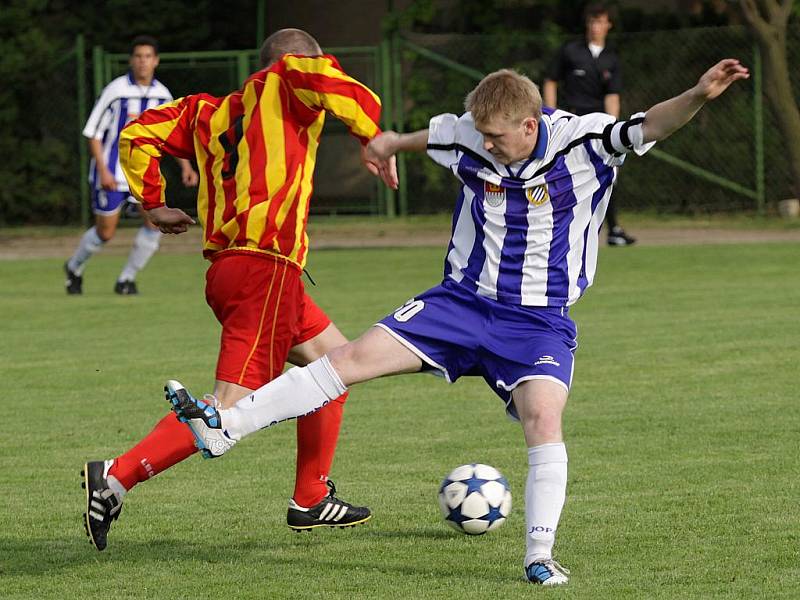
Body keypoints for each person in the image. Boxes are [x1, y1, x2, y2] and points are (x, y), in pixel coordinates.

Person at [166, 59, 749, 585]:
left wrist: (698, 92)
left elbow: (650, 125)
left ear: (530, 124)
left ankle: (539, 554)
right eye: (481, 135)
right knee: (347, 360)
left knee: (544, 419)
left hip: (538, 322)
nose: (486, 146)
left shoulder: (585, 139)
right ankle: (227, 427)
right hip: (459, 303)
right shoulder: (470, 133)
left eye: (497, 137)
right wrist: (387, 144)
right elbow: (431, 134)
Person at [81, 28, 397, 551]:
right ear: (294, 63)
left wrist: (152, 201)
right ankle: (114, 477)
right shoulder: (289, 79)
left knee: (338, 365)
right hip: (263, 267)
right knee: (226, 415)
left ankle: (311, 497)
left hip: (237, 269)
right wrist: (372, 137)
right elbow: (335, 86)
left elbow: (137, 134)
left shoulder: (208, 112)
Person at [65, 36, 199, 295]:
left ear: (156, 61)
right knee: (106, 233)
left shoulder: (162, 94)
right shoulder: (115, 91)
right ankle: (73, 267)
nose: (143, 62)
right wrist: (103, 169)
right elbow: (93, 132)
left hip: (143, 174)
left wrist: (186, 166)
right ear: (131, 60)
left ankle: (126, 279)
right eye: (138, 56)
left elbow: (172, 134)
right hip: (112, 173)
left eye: (148, 56)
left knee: (154, 223)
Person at [543, 2, 635, 246]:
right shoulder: (570, 51)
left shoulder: (611, 58)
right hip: (573, 122)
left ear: (608, 25)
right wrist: (552, 115)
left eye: (601, 22)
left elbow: (612, 96)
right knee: (565, 173)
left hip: (599, 125)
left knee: (608, 172)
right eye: (592, 22)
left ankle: (612, 228)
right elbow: (551, 81)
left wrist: (613, 128)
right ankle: (560, 226)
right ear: (587, 24)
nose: (596, 27)